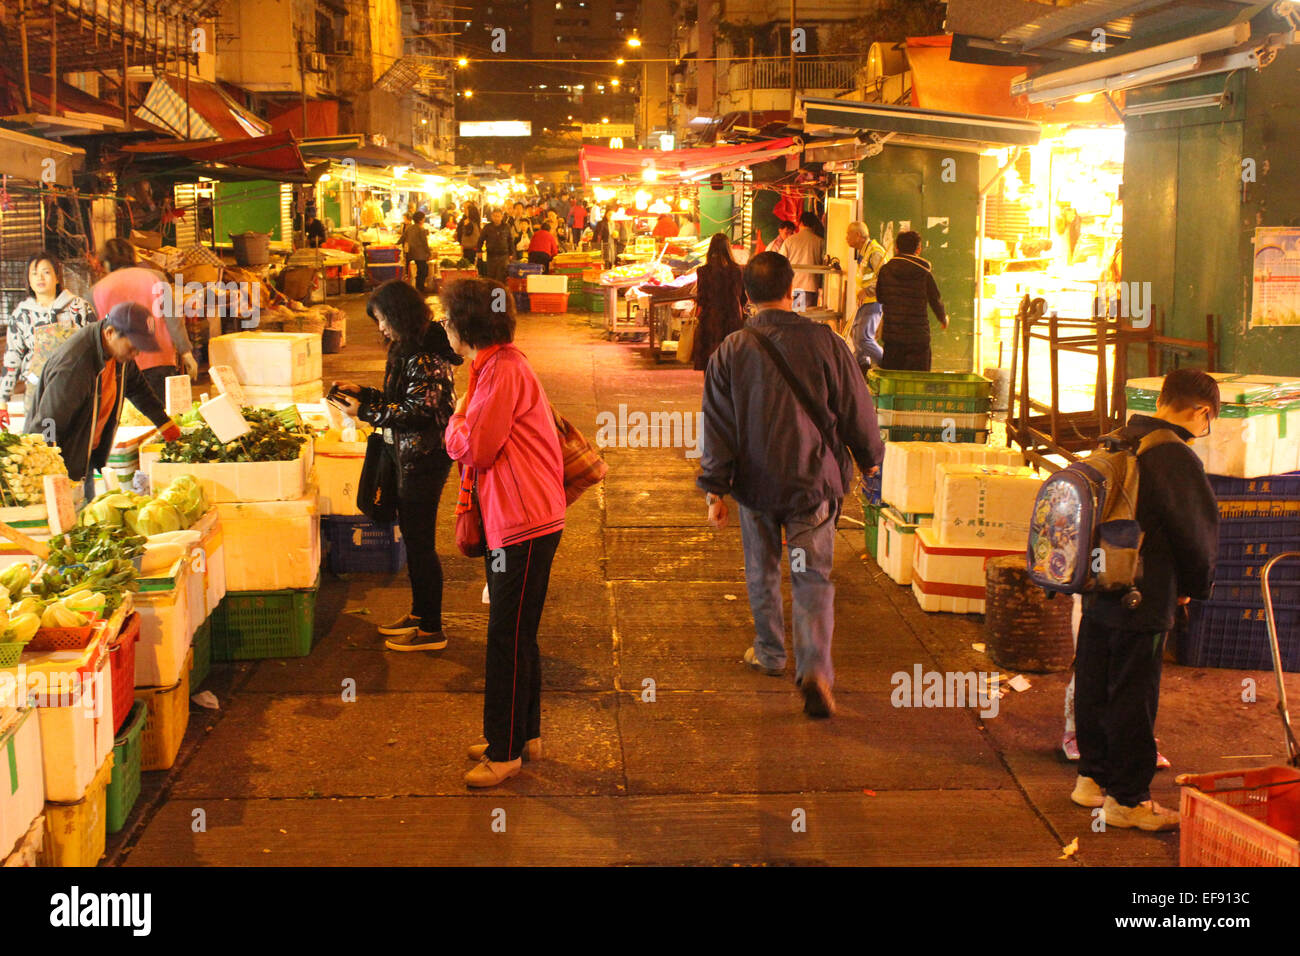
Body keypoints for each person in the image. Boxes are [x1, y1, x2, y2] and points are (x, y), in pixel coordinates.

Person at [697, 252, 884, 718]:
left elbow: (717, 426)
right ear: (791, 287)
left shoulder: (731, 350)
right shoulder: (827, 342)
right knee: (811, 574)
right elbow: (856, 407)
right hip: (812, 484)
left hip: (756, 487)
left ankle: (770, 653)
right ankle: (816, 670)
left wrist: (715, 489)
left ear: (746, 294)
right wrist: (870, 460)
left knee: (762, 568)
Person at [1069, 369, 1220, 832]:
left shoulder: (1117, 439)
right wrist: (1196, 585)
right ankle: (1128, 801)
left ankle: (1091, 779)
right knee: (1135, 695)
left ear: (1162, 399)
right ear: (1201, 412)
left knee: (1094, 680)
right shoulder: (1173, 455)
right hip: (1144, 592)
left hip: (1098, 584)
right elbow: (1195, 534)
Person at [441, 278, 565, 788]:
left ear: (466, 324)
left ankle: (505, 750)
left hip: (524, 521)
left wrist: (454, 421)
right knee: (518, 632)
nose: (444, 328)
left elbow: (477, 446)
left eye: (447, 319)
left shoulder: (502, 371)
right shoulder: (493, 366)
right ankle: (524, 734)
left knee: (505, 637)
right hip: (518, 517)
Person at [329, 280, 460, 651]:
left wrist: (367, 411)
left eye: (382, 319)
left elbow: (421, 410)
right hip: (408, 455)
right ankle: (420, 615)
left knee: (420, 544)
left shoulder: (427, 354)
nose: (381, 328)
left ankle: (432, 629)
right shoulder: (408, 347)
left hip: (425, 458)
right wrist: (363, 393)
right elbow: (400, 400)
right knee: (415, 541)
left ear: (399, 314)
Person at [27, 302, 182, 489]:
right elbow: (48, 423)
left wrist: (164, 423)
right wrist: (49, 473)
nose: (137, 353)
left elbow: (138, 389)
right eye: (133, 347)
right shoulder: (75, 366)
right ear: (110, 333)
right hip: (64, 463)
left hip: (88, 455)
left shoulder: (119, 353)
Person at [92, 238, 200, 403]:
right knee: (160, 416)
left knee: (129, 423)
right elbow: (172, 318)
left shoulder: (96, 290)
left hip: (120, 367)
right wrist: (186, 351)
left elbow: (97, 334)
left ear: (106, 263)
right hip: (159, 360)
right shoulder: (156, 278)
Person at [2, 251, 96, 426]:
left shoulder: (79, 307)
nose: (40, 278)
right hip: (37, 393)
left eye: (46, 272)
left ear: (57, 277)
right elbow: (12, 358)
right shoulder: (21, 315)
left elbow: (96, 347)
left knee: (72, 442)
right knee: (42, 442)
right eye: (34, 273)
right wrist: (2, 402)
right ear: (28, 279)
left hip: (75, 389)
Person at [874, 230, 947, 371]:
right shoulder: (924, 273)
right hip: (918, 339)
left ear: (896, 248)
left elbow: (880, 297)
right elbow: (935, 299)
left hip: (892, 338)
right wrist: (943, 318)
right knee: (918, 383)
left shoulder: (885, 271)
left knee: (894, 382)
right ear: (918, 250)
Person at [692, 233, 747, 371]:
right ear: (728, 249)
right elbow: (743, 298)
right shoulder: (737, 270)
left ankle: (711, 388)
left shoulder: (703, 271)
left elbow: (701, 298)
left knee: (710, 360)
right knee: (730, 358)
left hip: (710, 319)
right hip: (732, 318)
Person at [845, 221, 888, 371]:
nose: (846, 238)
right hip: (865, 303)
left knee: (863, 338)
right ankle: (861, 370)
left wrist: (868, 290)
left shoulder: (875, 252)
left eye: (848, 234)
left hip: (873, 302)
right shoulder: (864, 253)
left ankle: (887, 364)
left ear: (858, 235)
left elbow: (884, 278)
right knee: (856, 336)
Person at [780, 212, 826, 309]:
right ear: (814, 225)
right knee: (809, 319)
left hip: (796, 285)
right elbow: (825, 262)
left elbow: (780, 262)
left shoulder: (790, 241)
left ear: (800, 223)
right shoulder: (820, 242)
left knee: (798, 316)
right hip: (812, 286)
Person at [477, 207, 513, 283]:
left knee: (502, 277)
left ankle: (501, 293)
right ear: (492, 217)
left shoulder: (506, 227)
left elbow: (510, 240)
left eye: (498, 216)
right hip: (491, 255)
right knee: (491, 277)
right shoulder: (487, 227)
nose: (496, 218)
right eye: (495, 216)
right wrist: (479, 250)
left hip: (503, 255)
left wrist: (511, 253)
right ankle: (491, 293)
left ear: (502, 217)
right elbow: (481, 239)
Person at [402, 211, 432, 292]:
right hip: (420, 254)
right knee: (423, 270)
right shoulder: (420, 229)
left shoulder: (409, 228)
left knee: (416, 271)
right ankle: (420, 287)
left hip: (411, 253)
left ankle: (417, 287)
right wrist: (429, 252)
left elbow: (402, 238)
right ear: (421, 220)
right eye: (423, 218)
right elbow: (424, 243)